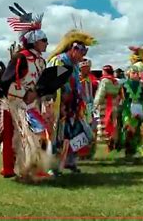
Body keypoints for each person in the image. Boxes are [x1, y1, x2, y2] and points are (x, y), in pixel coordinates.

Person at [0, 3, 52, 182]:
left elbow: (41, 82)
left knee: (38, 134)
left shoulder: (41, 62)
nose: (47, 43)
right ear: (35, 39)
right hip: (16, 103)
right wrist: (24, 95)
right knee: (21, 137)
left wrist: (39, 94)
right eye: (44, 40)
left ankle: (33, 168)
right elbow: (6, 81)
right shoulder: (21, 57)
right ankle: (21, 170)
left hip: (31, 104)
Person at [47, 29, 97, 175]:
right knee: (58, 137)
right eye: (82, 51)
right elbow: (52, 85)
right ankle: (53, 166)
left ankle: (70, 161)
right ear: (74, 49)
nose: (83, 55)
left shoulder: (74, 65)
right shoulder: (60, 61)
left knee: (77, 135)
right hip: (59, 106)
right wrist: (59, 105)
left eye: (85, 51)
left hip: (73, 106)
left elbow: (77, 85)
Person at [93, 65, 121, 152]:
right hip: (114, 103)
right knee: (113, 123)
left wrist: (95, 104)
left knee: (105, 123)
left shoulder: (104, 81)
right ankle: (113, 140)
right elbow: (119, 93)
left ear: (105, 71)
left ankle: (108, 142)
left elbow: (100, 93)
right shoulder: (116, 81)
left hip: (105, 104)